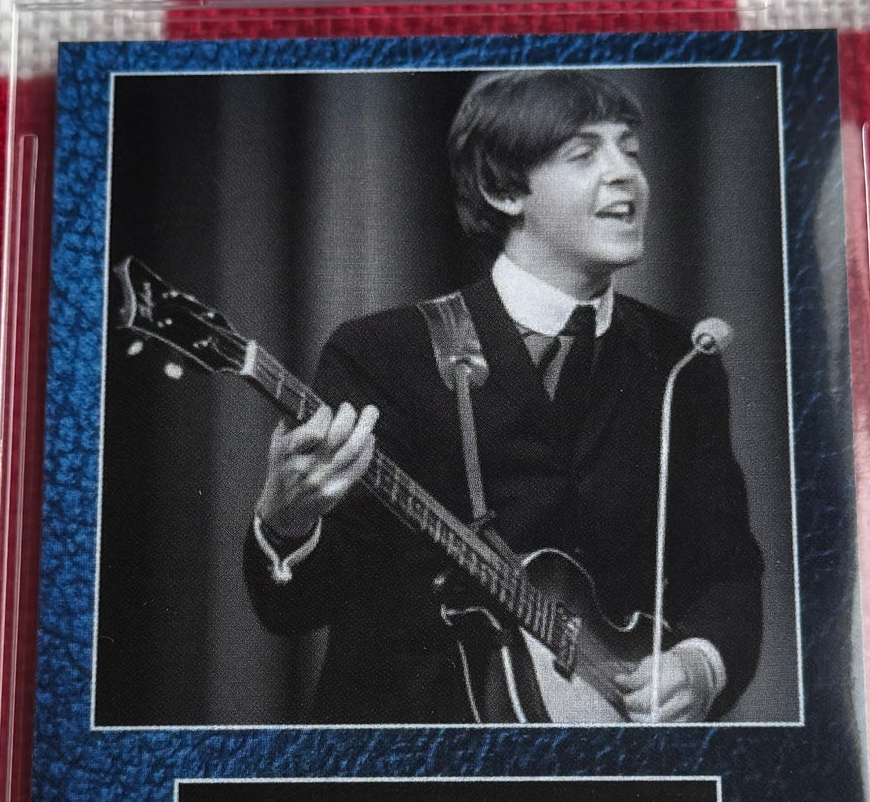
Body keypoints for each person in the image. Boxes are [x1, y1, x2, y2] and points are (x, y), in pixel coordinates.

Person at [242, 69, 764, 724]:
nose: (626, 174)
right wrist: (286, 519)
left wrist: (701, 665)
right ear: (503, 189)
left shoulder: (680, 361)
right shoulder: (380, 354)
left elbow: (727, 572)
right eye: (585, 154)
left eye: (630, 150)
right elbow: (295, 608)